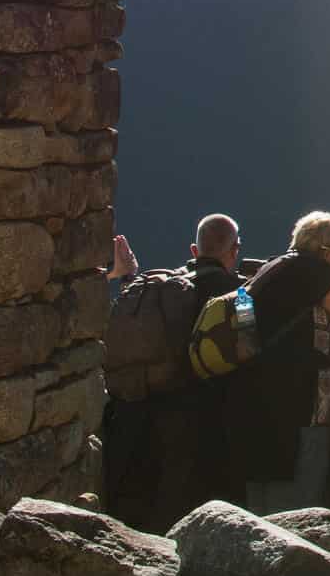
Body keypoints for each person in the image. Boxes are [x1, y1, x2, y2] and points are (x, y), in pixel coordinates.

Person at [103, 215, 245, 531]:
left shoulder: (164, 284)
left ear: (195, 249)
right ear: (234, 251)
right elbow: (250, 347)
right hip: (196, 418)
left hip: (137, 412)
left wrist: (129, 279)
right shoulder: (241, 293)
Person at [231, 211, 330, 515]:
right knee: (299, 506)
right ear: (327, 251)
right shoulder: (312, 270)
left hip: (259, 402)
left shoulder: (272, 268)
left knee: (261, 507)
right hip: (300, 405)